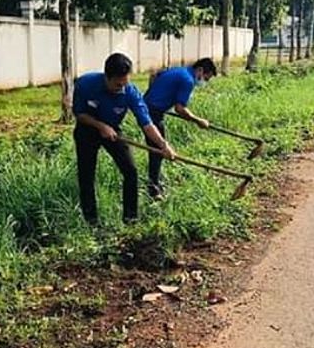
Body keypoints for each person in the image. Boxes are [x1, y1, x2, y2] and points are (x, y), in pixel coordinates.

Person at [73, 52, 175, 225]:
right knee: (86, 175)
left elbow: (147, 124)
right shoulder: (86, 84)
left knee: (131, 171)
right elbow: (79, 114)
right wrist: (100, 126)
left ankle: (131, 218)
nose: (122, 87)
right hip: (87, 130)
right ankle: (91, 221)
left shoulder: (130, 92)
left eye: (125, 82)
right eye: (118, 84)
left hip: (113, 131)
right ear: (107, 76)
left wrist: (163, 145)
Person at [143, 58, 218, 198]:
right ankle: (154, 190)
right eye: (205, 78)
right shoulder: (188, 80)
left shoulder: (179, 70)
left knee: (158, 150)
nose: (204, 82)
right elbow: (179, 109)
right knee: (159, 150)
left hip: (149, 108)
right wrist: (198, 121)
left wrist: (156, 98)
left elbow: (155, 76)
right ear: (200, 70)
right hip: (152, 113)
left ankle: (156, 183)